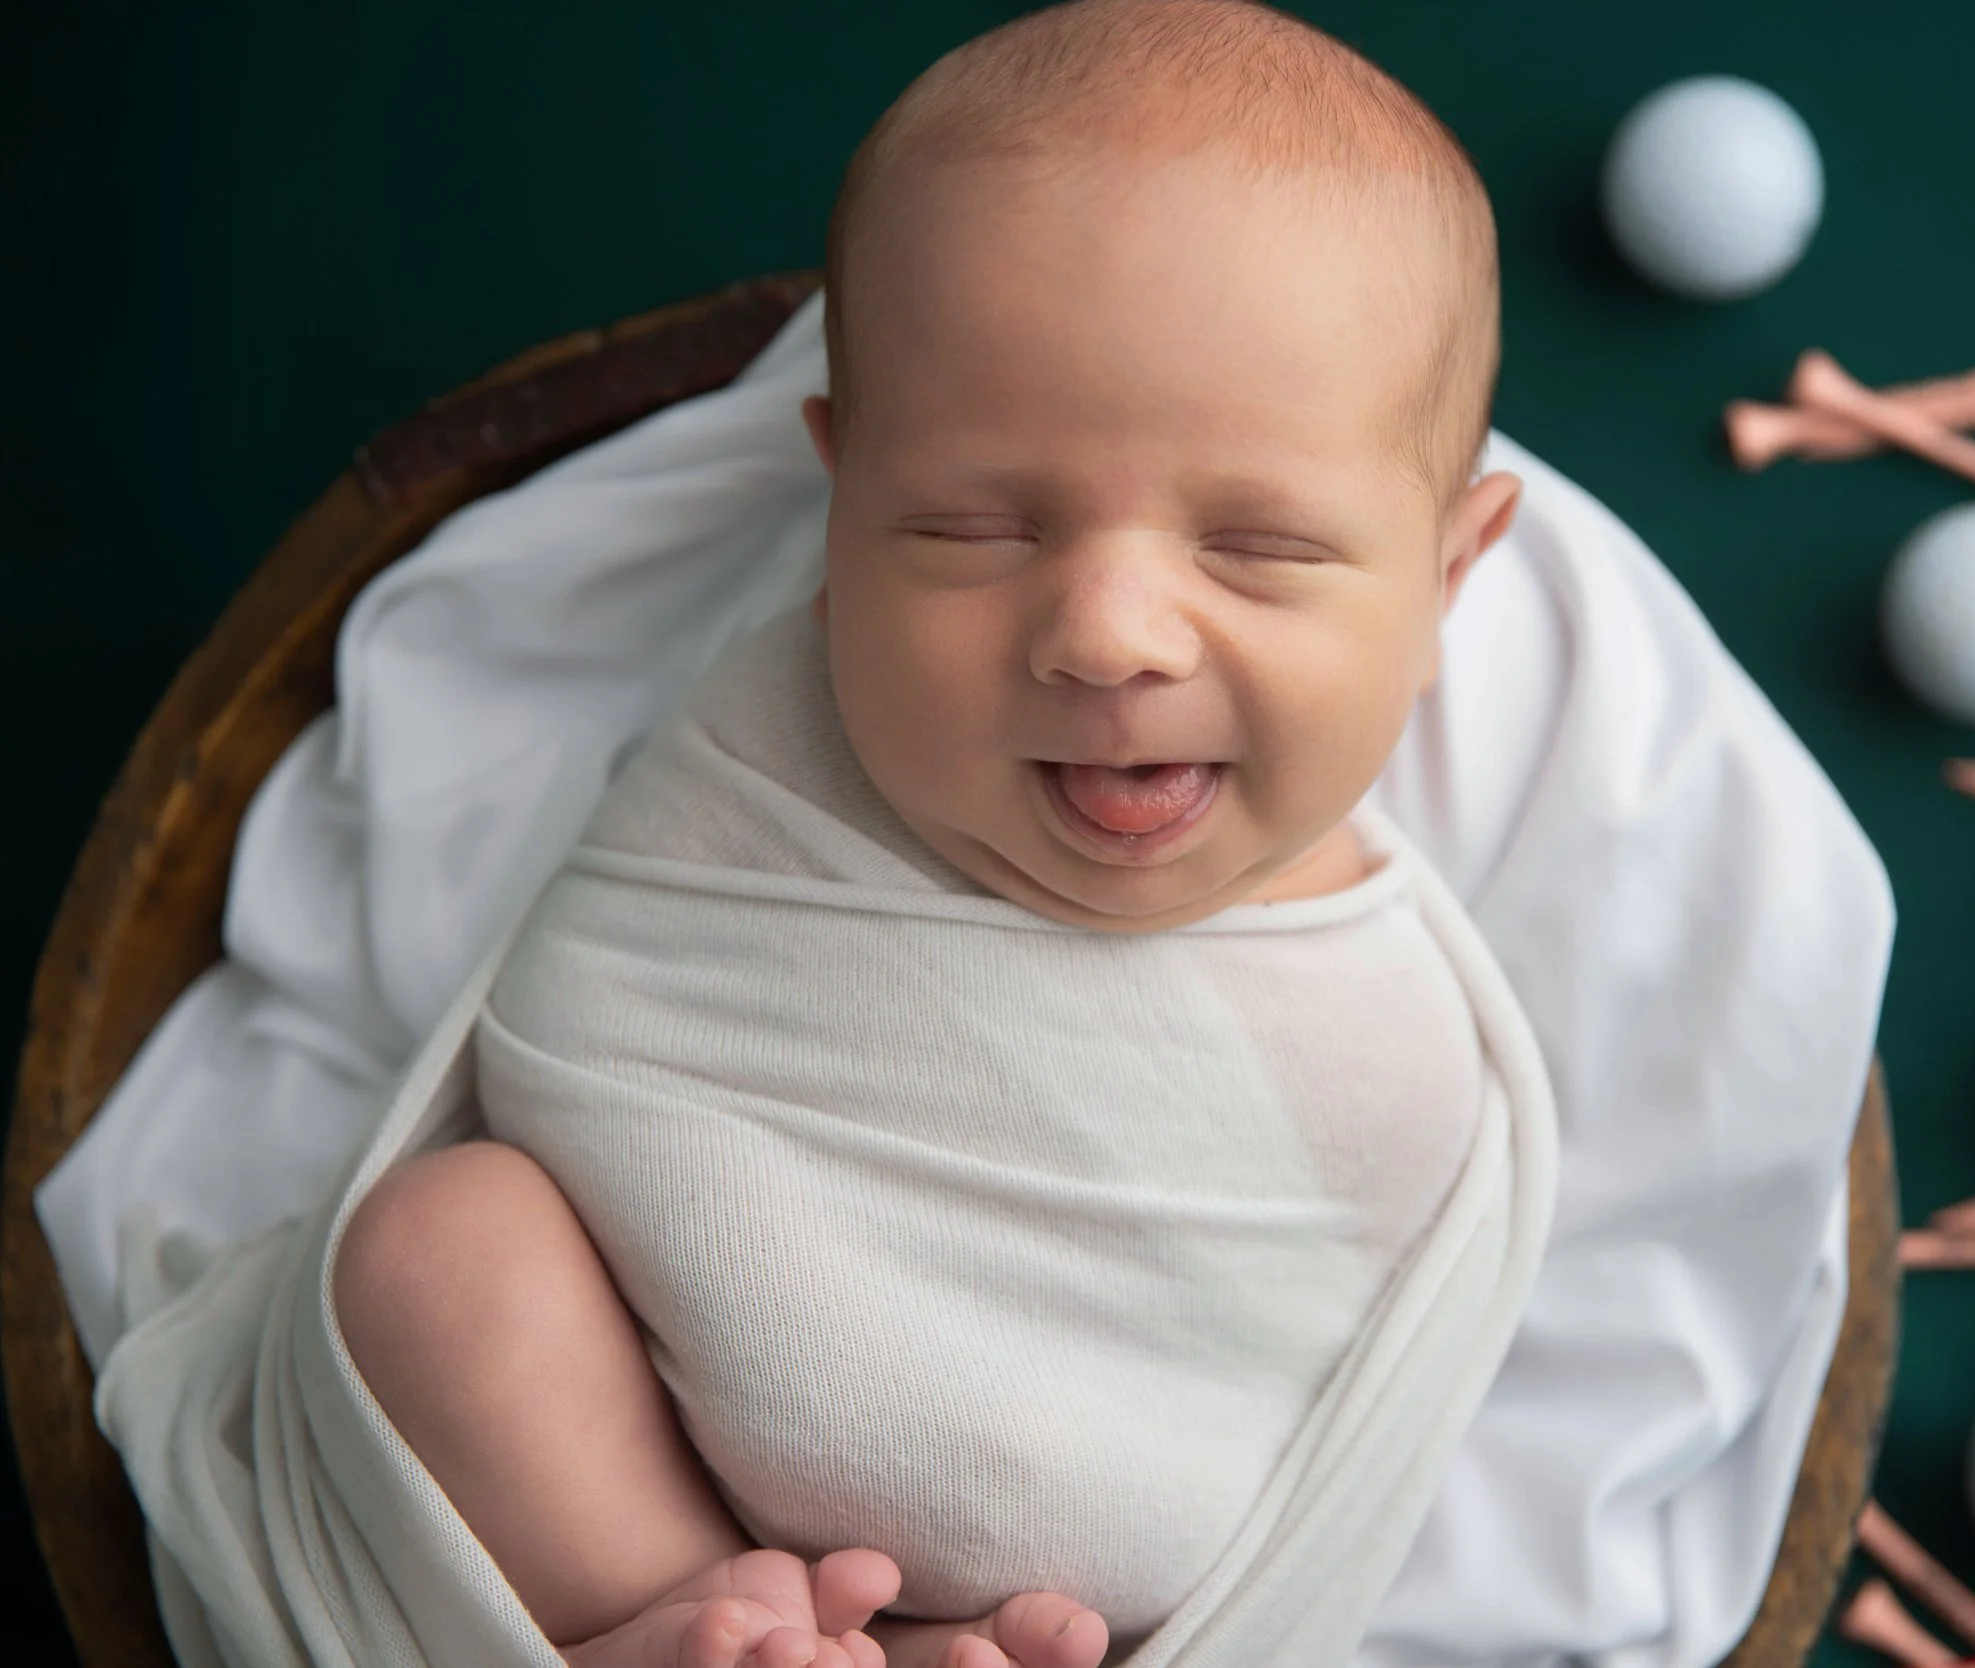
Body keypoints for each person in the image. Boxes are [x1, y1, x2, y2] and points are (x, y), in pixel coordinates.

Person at [331, 4, 1537, 1665]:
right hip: (621, 1438)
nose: (1110, 635)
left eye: (1256, 547)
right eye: (972, 526)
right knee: (435, 1255)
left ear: (1451, 574)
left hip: (1061, 1608)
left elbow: (1346, 1440)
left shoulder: (1411, 1045)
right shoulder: (779, 748)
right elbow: (589, 1039)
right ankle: (664, 1613)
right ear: (839, 498)